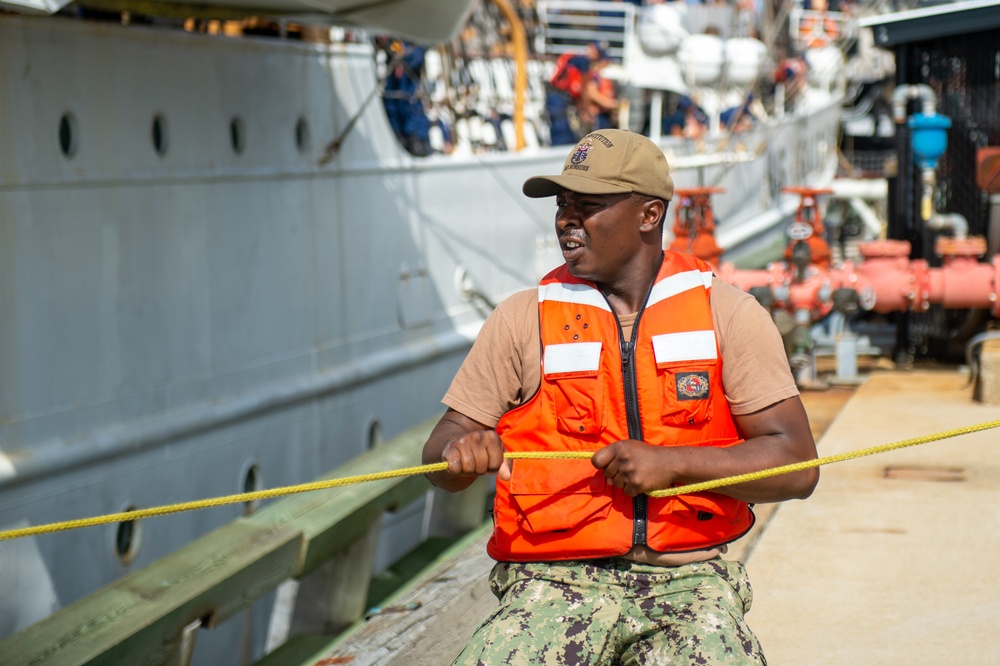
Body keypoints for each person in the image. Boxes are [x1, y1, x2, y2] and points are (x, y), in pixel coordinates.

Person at [422, 129, 819, 664]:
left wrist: (672, 466)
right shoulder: (522, 319)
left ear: (649, 215)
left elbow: (797, 467)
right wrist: (458, 456)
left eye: (587, 205)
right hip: (550, 582)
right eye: (563, 204)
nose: (567, 218)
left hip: (689, 581)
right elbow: (438, 455)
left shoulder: (730, 316)